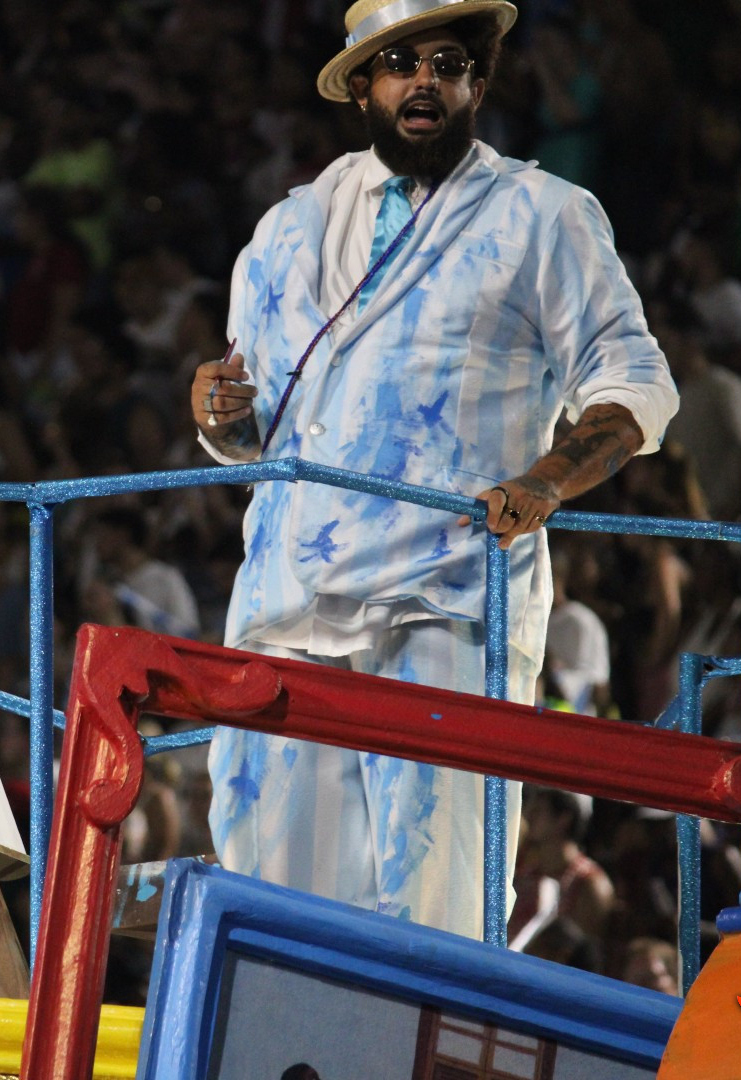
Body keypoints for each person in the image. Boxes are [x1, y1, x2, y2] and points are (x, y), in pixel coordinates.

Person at [194, 0, 677, 939]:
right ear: (360, 87)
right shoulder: (285, 230)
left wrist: (549, 478)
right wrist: (221, 416)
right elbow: (264, 433)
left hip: (446, 604)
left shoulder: (544, 215)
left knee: (432, 915)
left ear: (477, 84)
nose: (425, 79)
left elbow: (633, 382)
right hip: (285, 610)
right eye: (400, 62)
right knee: (272, 912)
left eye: (448, 63)